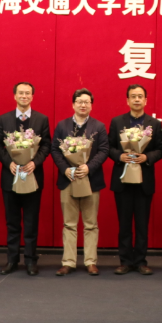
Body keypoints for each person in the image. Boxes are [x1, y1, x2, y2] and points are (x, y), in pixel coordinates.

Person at [0, 82, 51, 276]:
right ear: (15, 96)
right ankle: (12, 260)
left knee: (31, 221)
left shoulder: (41, 119)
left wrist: (35, 162)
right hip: (10, 177)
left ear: (32, 96)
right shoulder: (4, 119)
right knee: (12, 222)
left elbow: (46, 145)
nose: (24, 96)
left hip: (32, 176)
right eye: (21, 93)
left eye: (27, 93)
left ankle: (30, 260)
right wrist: (8, 162)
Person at [51, 88, 109, 276]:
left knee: (91, 223)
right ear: (73, 104)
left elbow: (104, 150)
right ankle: (68, 261)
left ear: (91, 105)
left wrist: (89, 167)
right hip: (68, 180)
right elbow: (55, 150)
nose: (83, 105)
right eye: (79, 101)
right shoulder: (62, 125)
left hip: (91, 180)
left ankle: (90, 261)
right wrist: (65, 169)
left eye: (87, 102)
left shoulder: (99, 126)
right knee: (69, 223)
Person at [107, 84, 162, 275]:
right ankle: (125, 261)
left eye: (140, 96)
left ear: (146, 100)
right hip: (122, 180)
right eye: (133, 96)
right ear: (127, 100)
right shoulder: (117, 122)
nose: (137, 99)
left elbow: (160, 149)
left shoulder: (154, 124)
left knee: (142, 223)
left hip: (144, 180)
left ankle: (140, 261)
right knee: (124, 224)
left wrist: (147, 157)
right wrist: (120, 156)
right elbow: (109, 147)